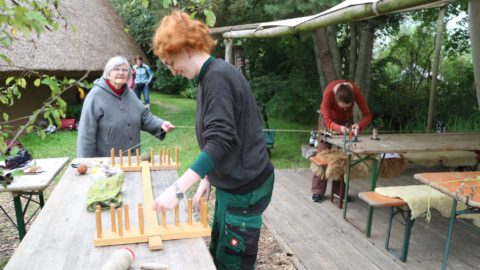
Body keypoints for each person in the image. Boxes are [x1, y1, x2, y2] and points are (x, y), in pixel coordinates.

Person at [151, 11, 274, 270]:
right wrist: (209, 178)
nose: (173, 71)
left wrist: (177, 189)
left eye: (171, 61)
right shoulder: (210, 77)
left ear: (186, 48)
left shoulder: (217, 77)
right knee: (219, 248)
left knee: (233, 261)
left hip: (246, 186)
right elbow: (225, 133)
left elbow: (220, 140)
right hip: (232, 183)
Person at [77, 56, 174, 158]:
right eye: (116, 69)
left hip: (132, 160)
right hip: (106, 164)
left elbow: (144, 116)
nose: (121, 72)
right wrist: (85, 162)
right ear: (108, 72)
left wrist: (161, 124)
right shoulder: (95, 96)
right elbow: (86, 133)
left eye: (124, 70)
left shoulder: (129, 93)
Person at [312, 80, 372, 202]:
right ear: (336, 98)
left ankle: (340, 192)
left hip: (346, 122)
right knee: (323, 155)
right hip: (327, 122)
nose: (345, 109)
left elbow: (368, 115)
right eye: (342, 107)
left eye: (348, 107)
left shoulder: (355, 92)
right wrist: (338, 128)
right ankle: (317, 191)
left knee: (343, 157)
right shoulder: (328, 93)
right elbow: (327, 120)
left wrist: (359, 126)